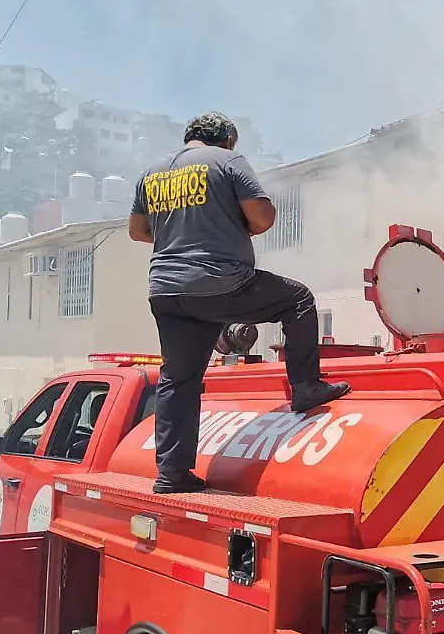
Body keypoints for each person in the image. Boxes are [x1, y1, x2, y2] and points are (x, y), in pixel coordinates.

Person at [129, 111, 350, 494]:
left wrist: (180, 234)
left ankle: (172, 475)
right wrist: (224, 229)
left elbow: (137, 231)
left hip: (166, 290)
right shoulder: (229, 162)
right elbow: (262, 218)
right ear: (228, 138)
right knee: (297, 299)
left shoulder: (152, 173)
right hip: (220, 282)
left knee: (177, 380)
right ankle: (305, 388)